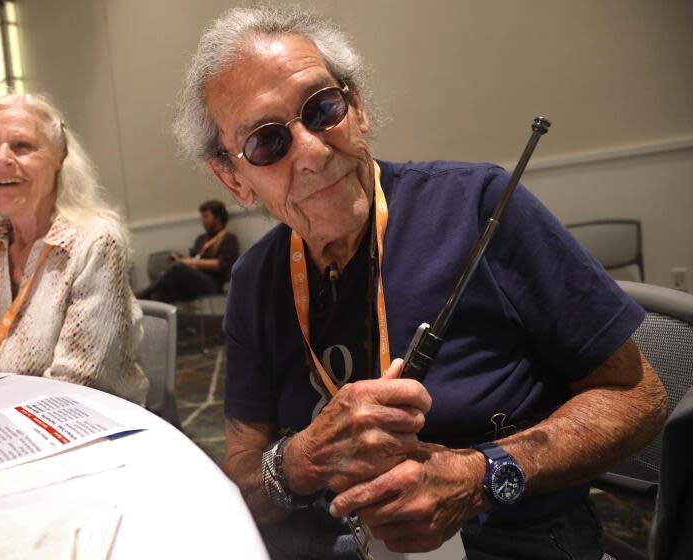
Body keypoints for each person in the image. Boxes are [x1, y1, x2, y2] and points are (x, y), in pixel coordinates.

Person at [172, 6, 668, 559]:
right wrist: (300, 460)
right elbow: (242, 473)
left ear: (355, 107)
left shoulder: (479, 206)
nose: (311, 151)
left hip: (505, 535)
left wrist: (480, 475)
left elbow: (638, 396)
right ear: (234, 178)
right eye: (267, 143)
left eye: (322, 109)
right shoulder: (254, 280)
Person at [0, 93, 147, 405]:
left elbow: (80, 384)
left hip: (88, 425)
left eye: (21, 146)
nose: (2, 159)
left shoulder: (95, 241)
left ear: (59, 156)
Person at [136, 199, 239, 302]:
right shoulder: (201, 239)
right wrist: (180, 259)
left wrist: (185, 262)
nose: (203, 221)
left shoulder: (229, 238)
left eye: (206, 216)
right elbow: (193, 261)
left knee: (178, 268)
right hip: (195, 280)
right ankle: (149, 306)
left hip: (213, 284)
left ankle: (142, 295)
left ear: (217, 218)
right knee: (164, 290)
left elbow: (220, 264)